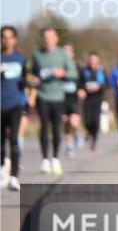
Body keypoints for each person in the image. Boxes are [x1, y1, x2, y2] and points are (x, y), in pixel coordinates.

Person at [31, 28, 74, 175]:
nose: (48, 40)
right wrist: (34, 82)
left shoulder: (62, 55)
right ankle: (44, 159)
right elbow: (32, 75)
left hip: (58, 97)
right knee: (43, 125)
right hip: (42, 95)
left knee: (56, 127)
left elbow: (73, 73)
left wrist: (63, 73)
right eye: (45, 37)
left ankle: (55, 158)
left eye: (50, 37)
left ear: (56, 39)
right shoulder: (37, 56)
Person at [1, 26, 29, 190]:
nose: (7, 40)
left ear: (15, 39)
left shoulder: (21, 58)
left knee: (14, 139)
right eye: (4, 37)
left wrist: (28, 83)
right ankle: (2, 169)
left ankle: (14, 176)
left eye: (10, 37)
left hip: (16, 104)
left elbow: (28, 77)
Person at [79, 52, 107, 150]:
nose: (92, 62)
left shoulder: (101, 71)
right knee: (87, 121)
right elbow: (80, 83)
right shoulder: (84, 71)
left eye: (94, 59)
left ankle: (94, 141)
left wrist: (99, 87)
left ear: (98, 61)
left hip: (97, 98)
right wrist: (81, 90)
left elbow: (106, 84)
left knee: (95, 121)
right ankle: (89, 132)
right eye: (91, 59)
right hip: (87, 98)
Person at [60, 44, 82, 155]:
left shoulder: (77, 66)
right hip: (61, 98)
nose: (66, 54)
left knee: (73, 121)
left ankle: (77, 133)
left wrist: (81, 89)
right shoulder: (58, 65)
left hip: (73, 98)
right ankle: (69, 146)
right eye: (64, 51)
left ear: (72, 54)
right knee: (65, 122)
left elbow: (82, 80)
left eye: (68, 51)